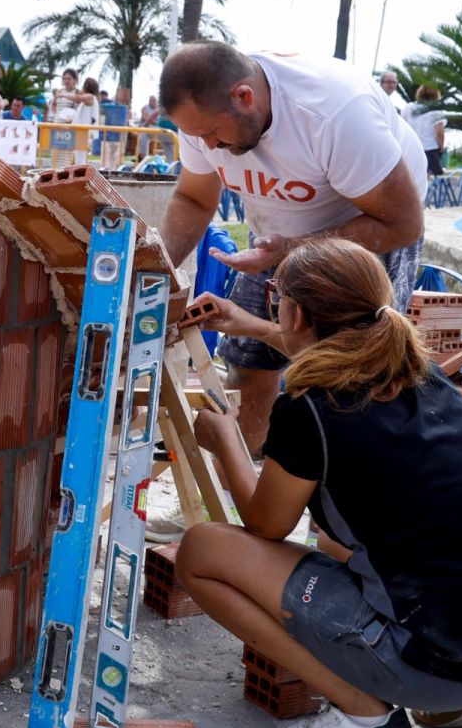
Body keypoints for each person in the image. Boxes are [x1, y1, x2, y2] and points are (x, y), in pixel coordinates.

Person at [175, 238, 462, 728]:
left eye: (274, 299)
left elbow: (264, 526)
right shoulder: (421, 374)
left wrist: (226, 443)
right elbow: (338, 357)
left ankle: (366, 720)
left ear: (297, 312)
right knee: (339, 537)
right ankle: (458, 705)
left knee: (201, 551)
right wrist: (256, 327)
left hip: (441, 662)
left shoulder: (309, 408)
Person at [158, 40, 425, 456]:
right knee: (247, 359)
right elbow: (193, 200)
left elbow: (402, 223)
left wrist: (293, 248)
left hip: (371, 230)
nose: (208, 147)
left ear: (244, 97)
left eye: (212, 133)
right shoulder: (203, 117)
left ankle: (334, 516)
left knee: (355, 377)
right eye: (198, 136)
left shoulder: (332, 113)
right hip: (277, 238)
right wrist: (154, 269)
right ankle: (243, 489)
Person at [406, 84, 446, 179]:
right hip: (430, 149)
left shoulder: (408, 107)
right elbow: (439, 132)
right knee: (434, 179)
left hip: (411, 148)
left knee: (412, 178)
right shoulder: (436, 110)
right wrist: (441, 146)